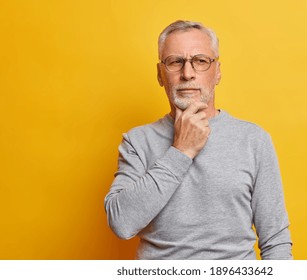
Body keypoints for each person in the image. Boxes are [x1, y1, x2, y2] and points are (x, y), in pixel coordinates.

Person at [104, 20, 293, 260]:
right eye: (175, 62)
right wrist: (181, 151)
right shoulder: (137, 142)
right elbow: (121, 223)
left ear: (218, 72)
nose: (188, 73)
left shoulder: (253, 140)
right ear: (160, 74)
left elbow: (275, 241)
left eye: (201, 61)